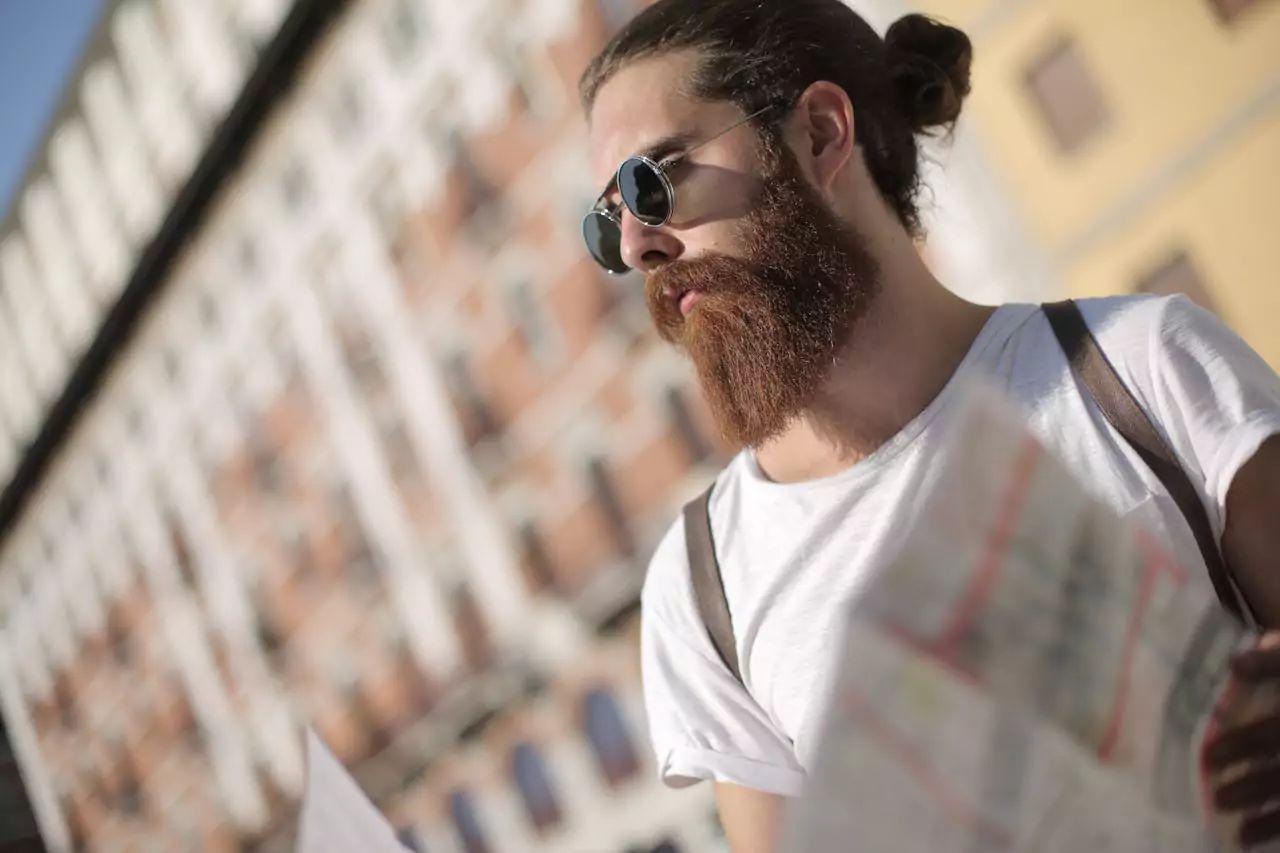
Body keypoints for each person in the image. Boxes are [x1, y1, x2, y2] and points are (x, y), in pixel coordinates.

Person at [577, 1, 1280, 850]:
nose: (639, 245)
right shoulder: (701, 591)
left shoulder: (1140, 366)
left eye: (654, 182)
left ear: (822, 134)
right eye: (607, 222)